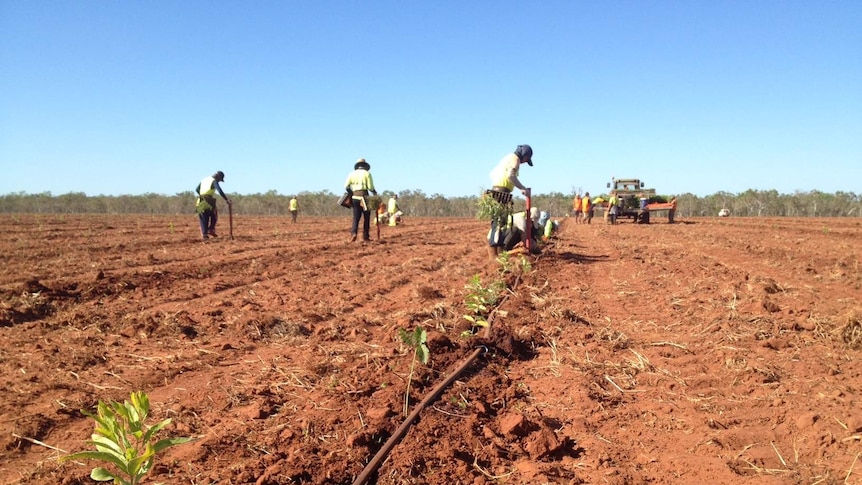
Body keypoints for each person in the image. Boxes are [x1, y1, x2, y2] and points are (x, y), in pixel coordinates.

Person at [486, 144, 533, 260]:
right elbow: (510, 176)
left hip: (497, 191)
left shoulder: (507, 158)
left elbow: (492, 173)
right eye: (526, 159)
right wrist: (522, 188)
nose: (524, 162)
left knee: (499, 223)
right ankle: (494, 255)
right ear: (524, 155)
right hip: (501, 193)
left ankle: (499, 253)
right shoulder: (515, 159)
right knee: (498, 223)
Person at [344, 158, 377, 242]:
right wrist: (375, 193)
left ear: (357, 166)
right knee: (366, 217)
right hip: (364, 197)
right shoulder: (367, 174)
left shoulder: (351, 174)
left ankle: (353, 233)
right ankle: (365, 236)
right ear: (365, 166)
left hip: (354, 197)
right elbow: (370, 187)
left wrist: (351, 193)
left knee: (356, 217)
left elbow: (346, 186)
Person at [195, 171, 231, 240]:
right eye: (220, 180)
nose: (219, 181)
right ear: (218, 177)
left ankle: (204, 234)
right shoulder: (214, 181)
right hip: (208, 201)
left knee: (203, 218)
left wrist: (202, 194)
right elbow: (219, 191)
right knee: (214, 215)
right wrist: (226, 199)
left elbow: (196, 189)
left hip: (200, 201)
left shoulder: (204, 180)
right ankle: (211, 229)